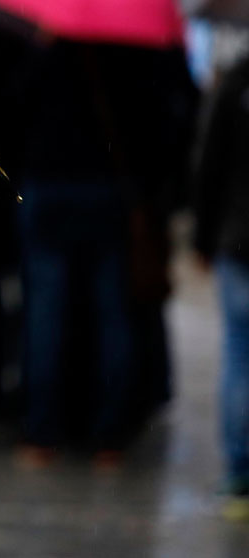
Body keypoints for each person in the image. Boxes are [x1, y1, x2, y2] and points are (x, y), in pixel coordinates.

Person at [191, 53, 249, 521]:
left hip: (238, 240)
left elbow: (208, 163)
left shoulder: (235, 84)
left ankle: (239, 471)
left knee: (239, 352)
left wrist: (202, 239)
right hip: (235, 238)